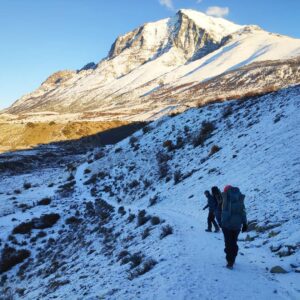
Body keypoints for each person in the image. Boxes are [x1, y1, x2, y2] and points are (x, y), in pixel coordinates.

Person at [221, 185, 248, 269]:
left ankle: (230, 262)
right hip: (237, 225)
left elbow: (225, 213)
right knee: (233, 242)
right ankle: (233, 257)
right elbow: (243, 212)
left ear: (226, 191)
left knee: (228, 243)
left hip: (227, 225)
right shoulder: (239, 198)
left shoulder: (226, 198)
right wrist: (245, 223)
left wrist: (222, 223)